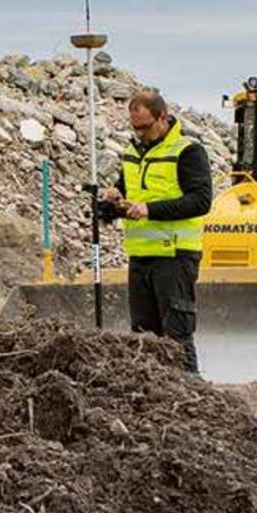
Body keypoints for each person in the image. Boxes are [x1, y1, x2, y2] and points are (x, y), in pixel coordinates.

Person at [103, 88, 212, 373]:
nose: (139, 133)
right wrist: (112, 201)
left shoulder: (187, 151)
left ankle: (192, 393)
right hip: (140, 256)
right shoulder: (133, 153)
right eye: (134, 127)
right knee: (143, 336)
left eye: (145, 127)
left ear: (162, 117)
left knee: (177, 334)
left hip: (175, 255)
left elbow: (200, 201)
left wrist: (150, 210)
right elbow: (128, 192)